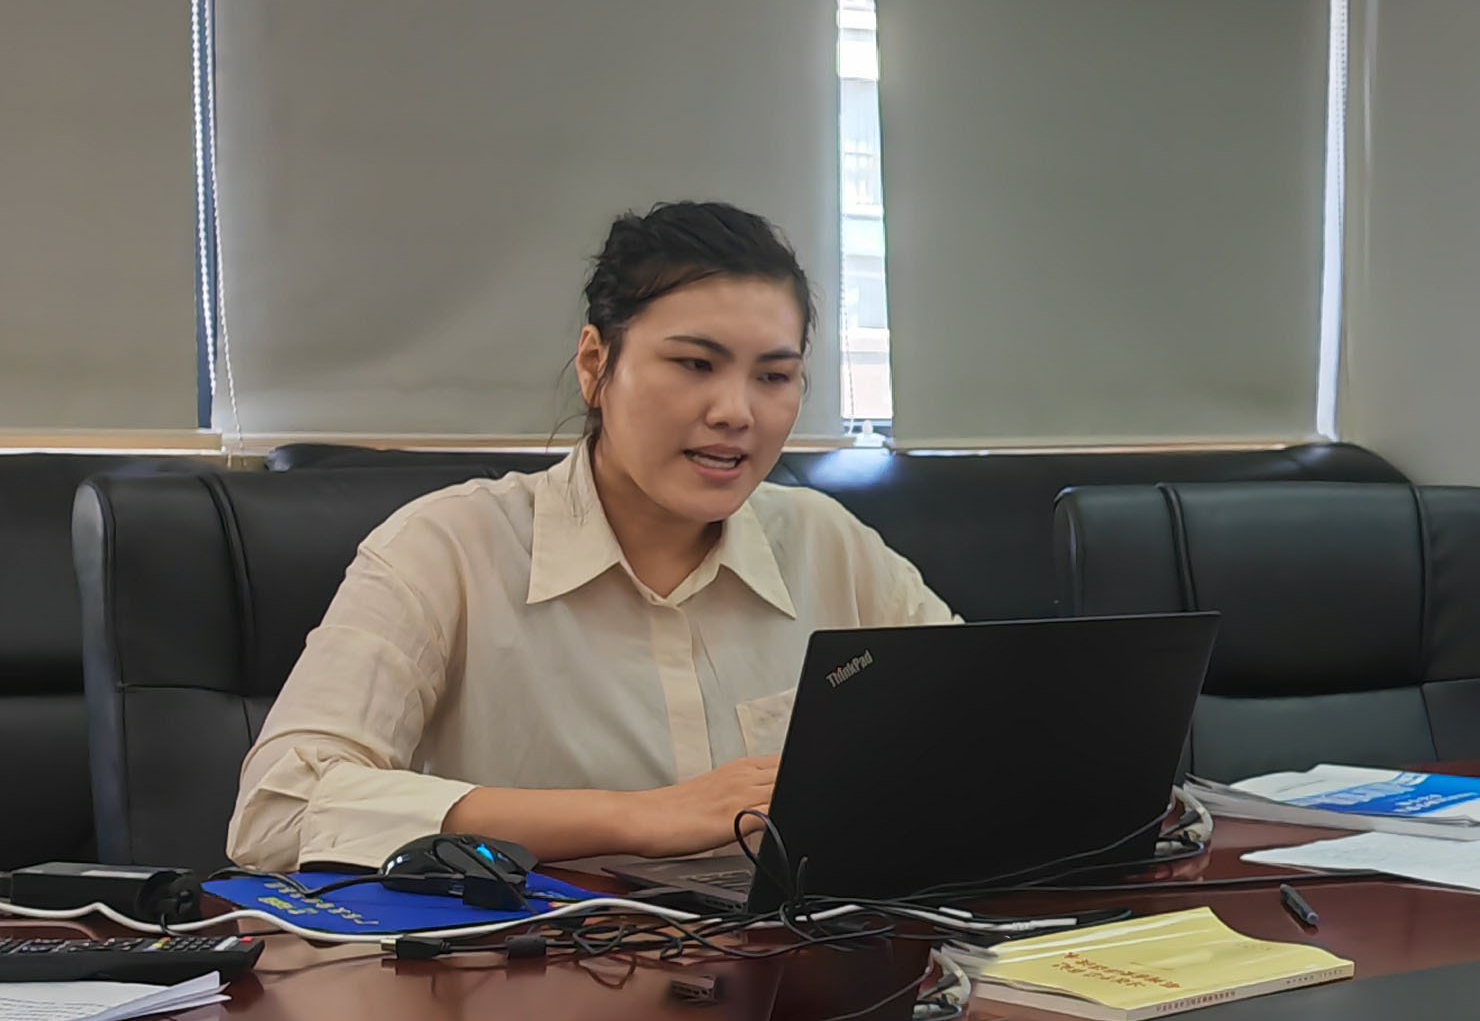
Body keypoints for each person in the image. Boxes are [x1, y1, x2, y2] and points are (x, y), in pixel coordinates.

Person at [225, 202, 958, 873]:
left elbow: (982, 736)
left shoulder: (830, 543)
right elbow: (277, 811)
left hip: (798, 962)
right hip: (538, 964)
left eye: (773, 376)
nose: (736, 412)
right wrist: (637, 817)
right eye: (694, 364)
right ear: (593, 364)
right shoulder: (446, 548)